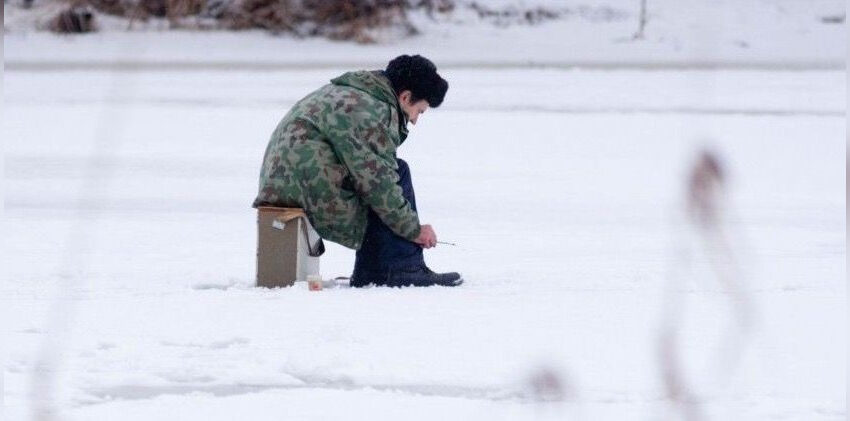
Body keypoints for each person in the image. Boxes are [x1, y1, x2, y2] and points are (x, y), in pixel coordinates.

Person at [253, 55, 462, 288]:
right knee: (393, 177)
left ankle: (373, 271)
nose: (414, 121)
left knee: (391, 172)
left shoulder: (358, 95)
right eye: (419, 111)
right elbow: (379, 185)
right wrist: (414, 230)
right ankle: (402, 268)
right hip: (304, 189)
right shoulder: (371, 112)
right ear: (405, 97)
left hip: (292, 184)